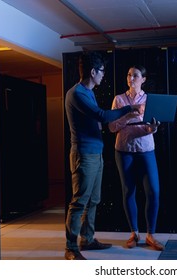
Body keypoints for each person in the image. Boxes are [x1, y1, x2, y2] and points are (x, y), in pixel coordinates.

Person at [64, 52, 143, 260]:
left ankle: (87, 239)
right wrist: (129, 109)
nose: (103, 75)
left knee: (94, 199)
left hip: (95, 153)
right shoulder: (77, 94)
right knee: (80, 201)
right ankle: (71, 247)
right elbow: (101, 115)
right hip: (84, 153)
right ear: (93, 72)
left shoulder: (88, 92)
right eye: (101, 71)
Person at [108, 65, 164, 251]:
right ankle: (134, 233)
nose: (131, 78)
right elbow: (112, 127)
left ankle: (151, 235)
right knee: (128, 191)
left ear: (143, 79)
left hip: (146, 149)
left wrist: (153, 128)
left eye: (136, 75)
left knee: (153, 191)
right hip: (124, 151)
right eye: (129, 74)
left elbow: (149, 128)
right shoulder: (119, 99)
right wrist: (128, 114)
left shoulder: (149, 99)